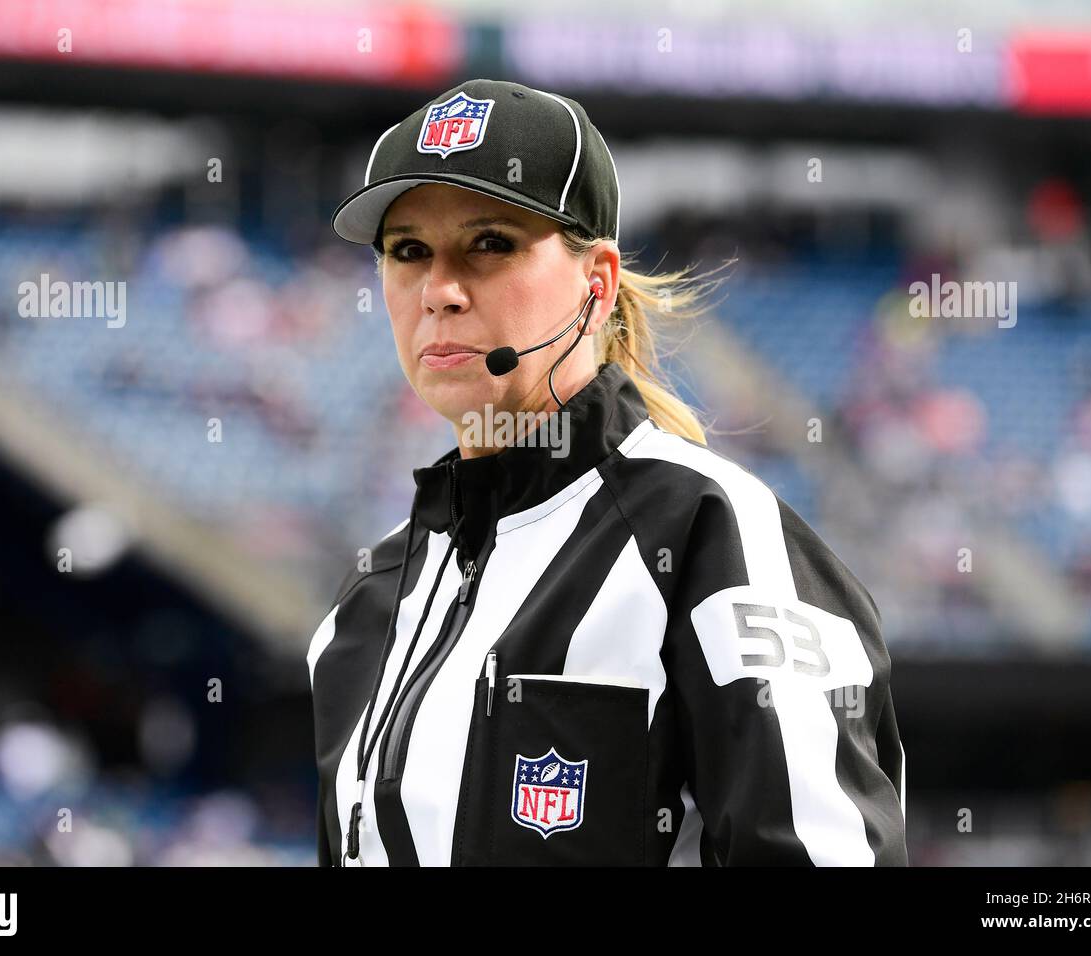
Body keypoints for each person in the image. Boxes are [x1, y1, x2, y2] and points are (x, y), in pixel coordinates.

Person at [308, 78, 907, 866]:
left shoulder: (717, 540)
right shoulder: (369, 600)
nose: (440, 291)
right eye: (407, 251)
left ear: (595, 285)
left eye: (490, 243)